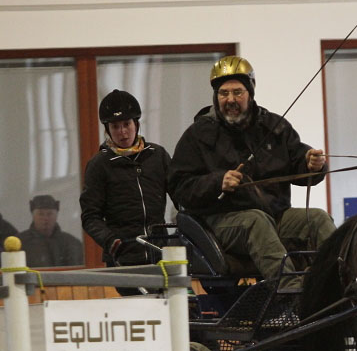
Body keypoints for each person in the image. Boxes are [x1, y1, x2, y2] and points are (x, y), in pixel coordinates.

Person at [167, 55, 335, 291]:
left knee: (317, 218)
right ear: (216, 96)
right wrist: (218, 182)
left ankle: (339, 283)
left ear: (251, 92)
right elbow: (179, 187)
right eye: (223, 93)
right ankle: (290, 292)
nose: (230, 99)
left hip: (273, 216)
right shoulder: (197, 135)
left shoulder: (275, 127)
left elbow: (299, 159)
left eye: (237, 92)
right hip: (220, 222)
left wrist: (312, 164)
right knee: (254, 221)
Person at [80, 89, 171, 294]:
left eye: (126, 125)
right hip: (124, 257)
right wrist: (111, 242)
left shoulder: (158, 155)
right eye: (115, 126)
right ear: (107, 129)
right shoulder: (99, 165)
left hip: (161, 251)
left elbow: (181, 194)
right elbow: (90, 216)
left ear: (136, 124)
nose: (122, 132)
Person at [18, 195, 84, 267]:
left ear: (56, 215)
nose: (45, 218)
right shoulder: (20, 244)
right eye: (41, 214)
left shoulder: (72, 244)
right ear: (33, 215)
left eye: (49, 214)